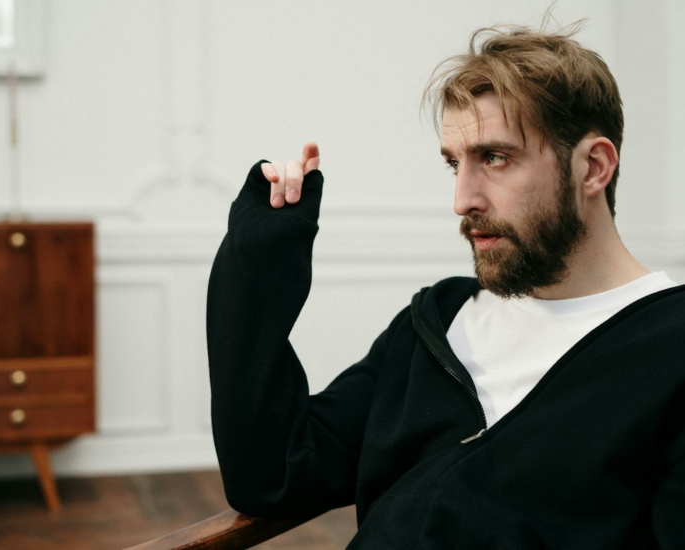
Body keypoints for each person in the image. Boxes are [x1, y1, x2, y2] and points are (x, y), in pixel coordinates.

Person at [207, 23, 685, 548]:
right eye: (455, 164)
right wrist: (259, 261)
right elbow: (270, 474)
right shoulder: (439, 321)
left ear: (593, 167)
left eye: (495, 158)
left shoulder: (668, 351)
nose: (462, 200)